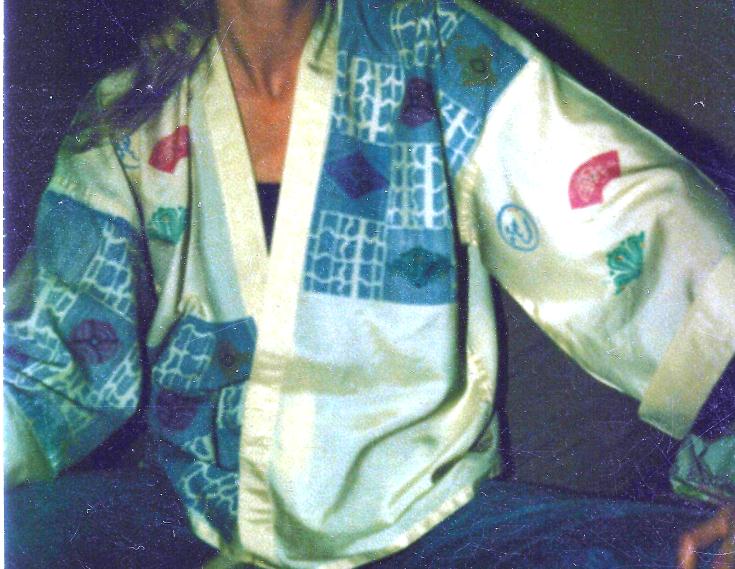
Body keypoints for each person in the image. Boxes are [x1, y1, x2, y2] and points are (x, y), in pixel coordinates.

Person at [5, 0, 734, 567]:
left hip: (426, 518)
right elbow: (47, 356)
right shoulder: (131, 114)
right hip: (195, 508)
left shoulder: (432, 48)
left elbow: (635, 225)